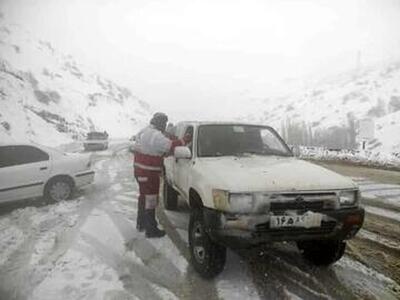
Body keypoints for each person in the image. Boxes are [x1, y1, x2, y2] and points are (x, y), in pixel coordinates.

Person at [133, 113, 191, 238]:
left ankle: (141, 223)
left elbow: (153, 149)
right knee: (151, 199)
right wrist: (184, 140)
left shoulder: (144, 131)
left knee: (143, 197)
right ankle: (151, 229)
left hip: (139, 170)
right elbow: (170, 146)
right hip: (148, 172)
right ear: (160, 123)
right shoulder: (155, 135)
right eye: (164, 123)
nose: (164, 126)